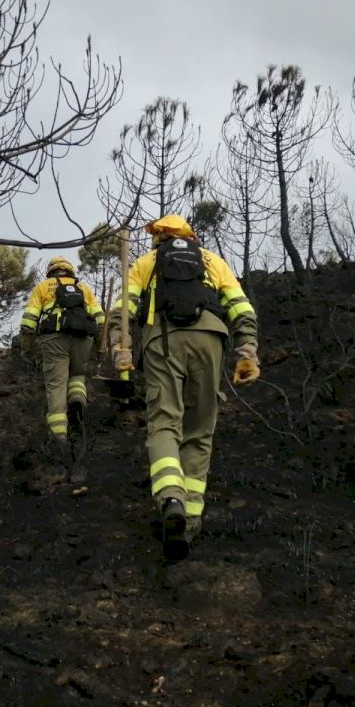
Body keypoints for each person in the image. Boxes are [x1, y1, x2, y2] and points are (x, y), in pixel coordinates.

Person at [107, 214, 259, 560]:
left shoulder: (147, 262)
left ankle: (171, 498)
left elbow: (123, 311)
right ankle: (190, 521)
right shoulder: (212, 261)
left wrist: (119, 347)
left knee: (164, 422)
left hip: (163, 340)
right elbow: (241, 309)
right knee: (200, 431)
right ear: (191, 236)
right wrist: (247, 350)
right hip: (211, 340)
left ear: (157, 237)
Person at [19, 256, 106, 483]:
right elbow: (100, 319)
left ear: (51, 271)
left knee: (56, 384)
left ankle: (59, 437)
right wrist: (100, 347)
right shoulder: (82, 287)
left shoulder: (43, 287)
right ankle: (77, 400)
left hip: (54, 338)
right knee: (77, 374)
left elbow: (29, 320)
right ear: (69, 271)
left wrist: (26, 348)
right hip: (83, 338)